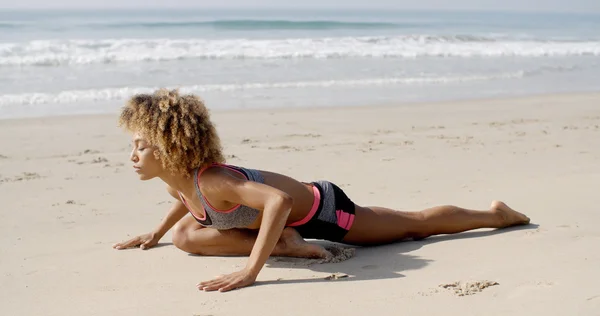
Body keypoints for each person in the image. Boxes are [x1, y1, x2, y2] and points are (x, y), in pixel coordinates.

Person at [112, 89, 530, 293]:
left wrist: (249, 272)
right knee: (186, 236)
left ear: (172, 146)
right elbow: (187, 209)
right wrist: (157, 233)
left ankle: (497, 216)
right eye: (133, 145)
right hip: (291, 219)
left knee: (413, 227)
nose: (132, 155)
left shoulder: (214, 181)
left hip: (324, 210)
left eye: (142, 146)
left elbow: (280, 200)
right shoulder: (178, 184)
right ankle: (284, 244)